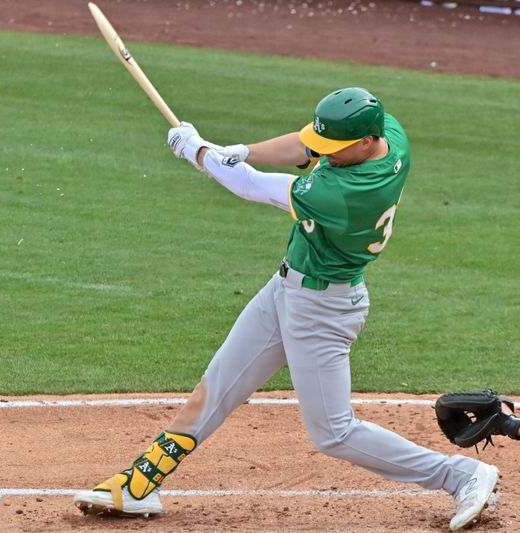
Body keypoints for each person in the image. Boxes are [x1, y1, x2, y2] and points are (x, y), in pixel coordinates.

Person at [73, 87, 501, 531]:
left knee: (334, 433)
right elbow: (303, 146)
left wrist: (198, 152)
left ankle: (462, 475)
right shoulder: (388, 134)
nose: (326, 156)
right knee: (218, 383)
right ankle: (143, 482)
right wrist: (238, 149)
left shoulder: (342, 193)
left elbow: (251, 185)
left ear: (366, 142)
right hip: (287, 289)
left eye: (336, 150)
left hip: (323, 309)